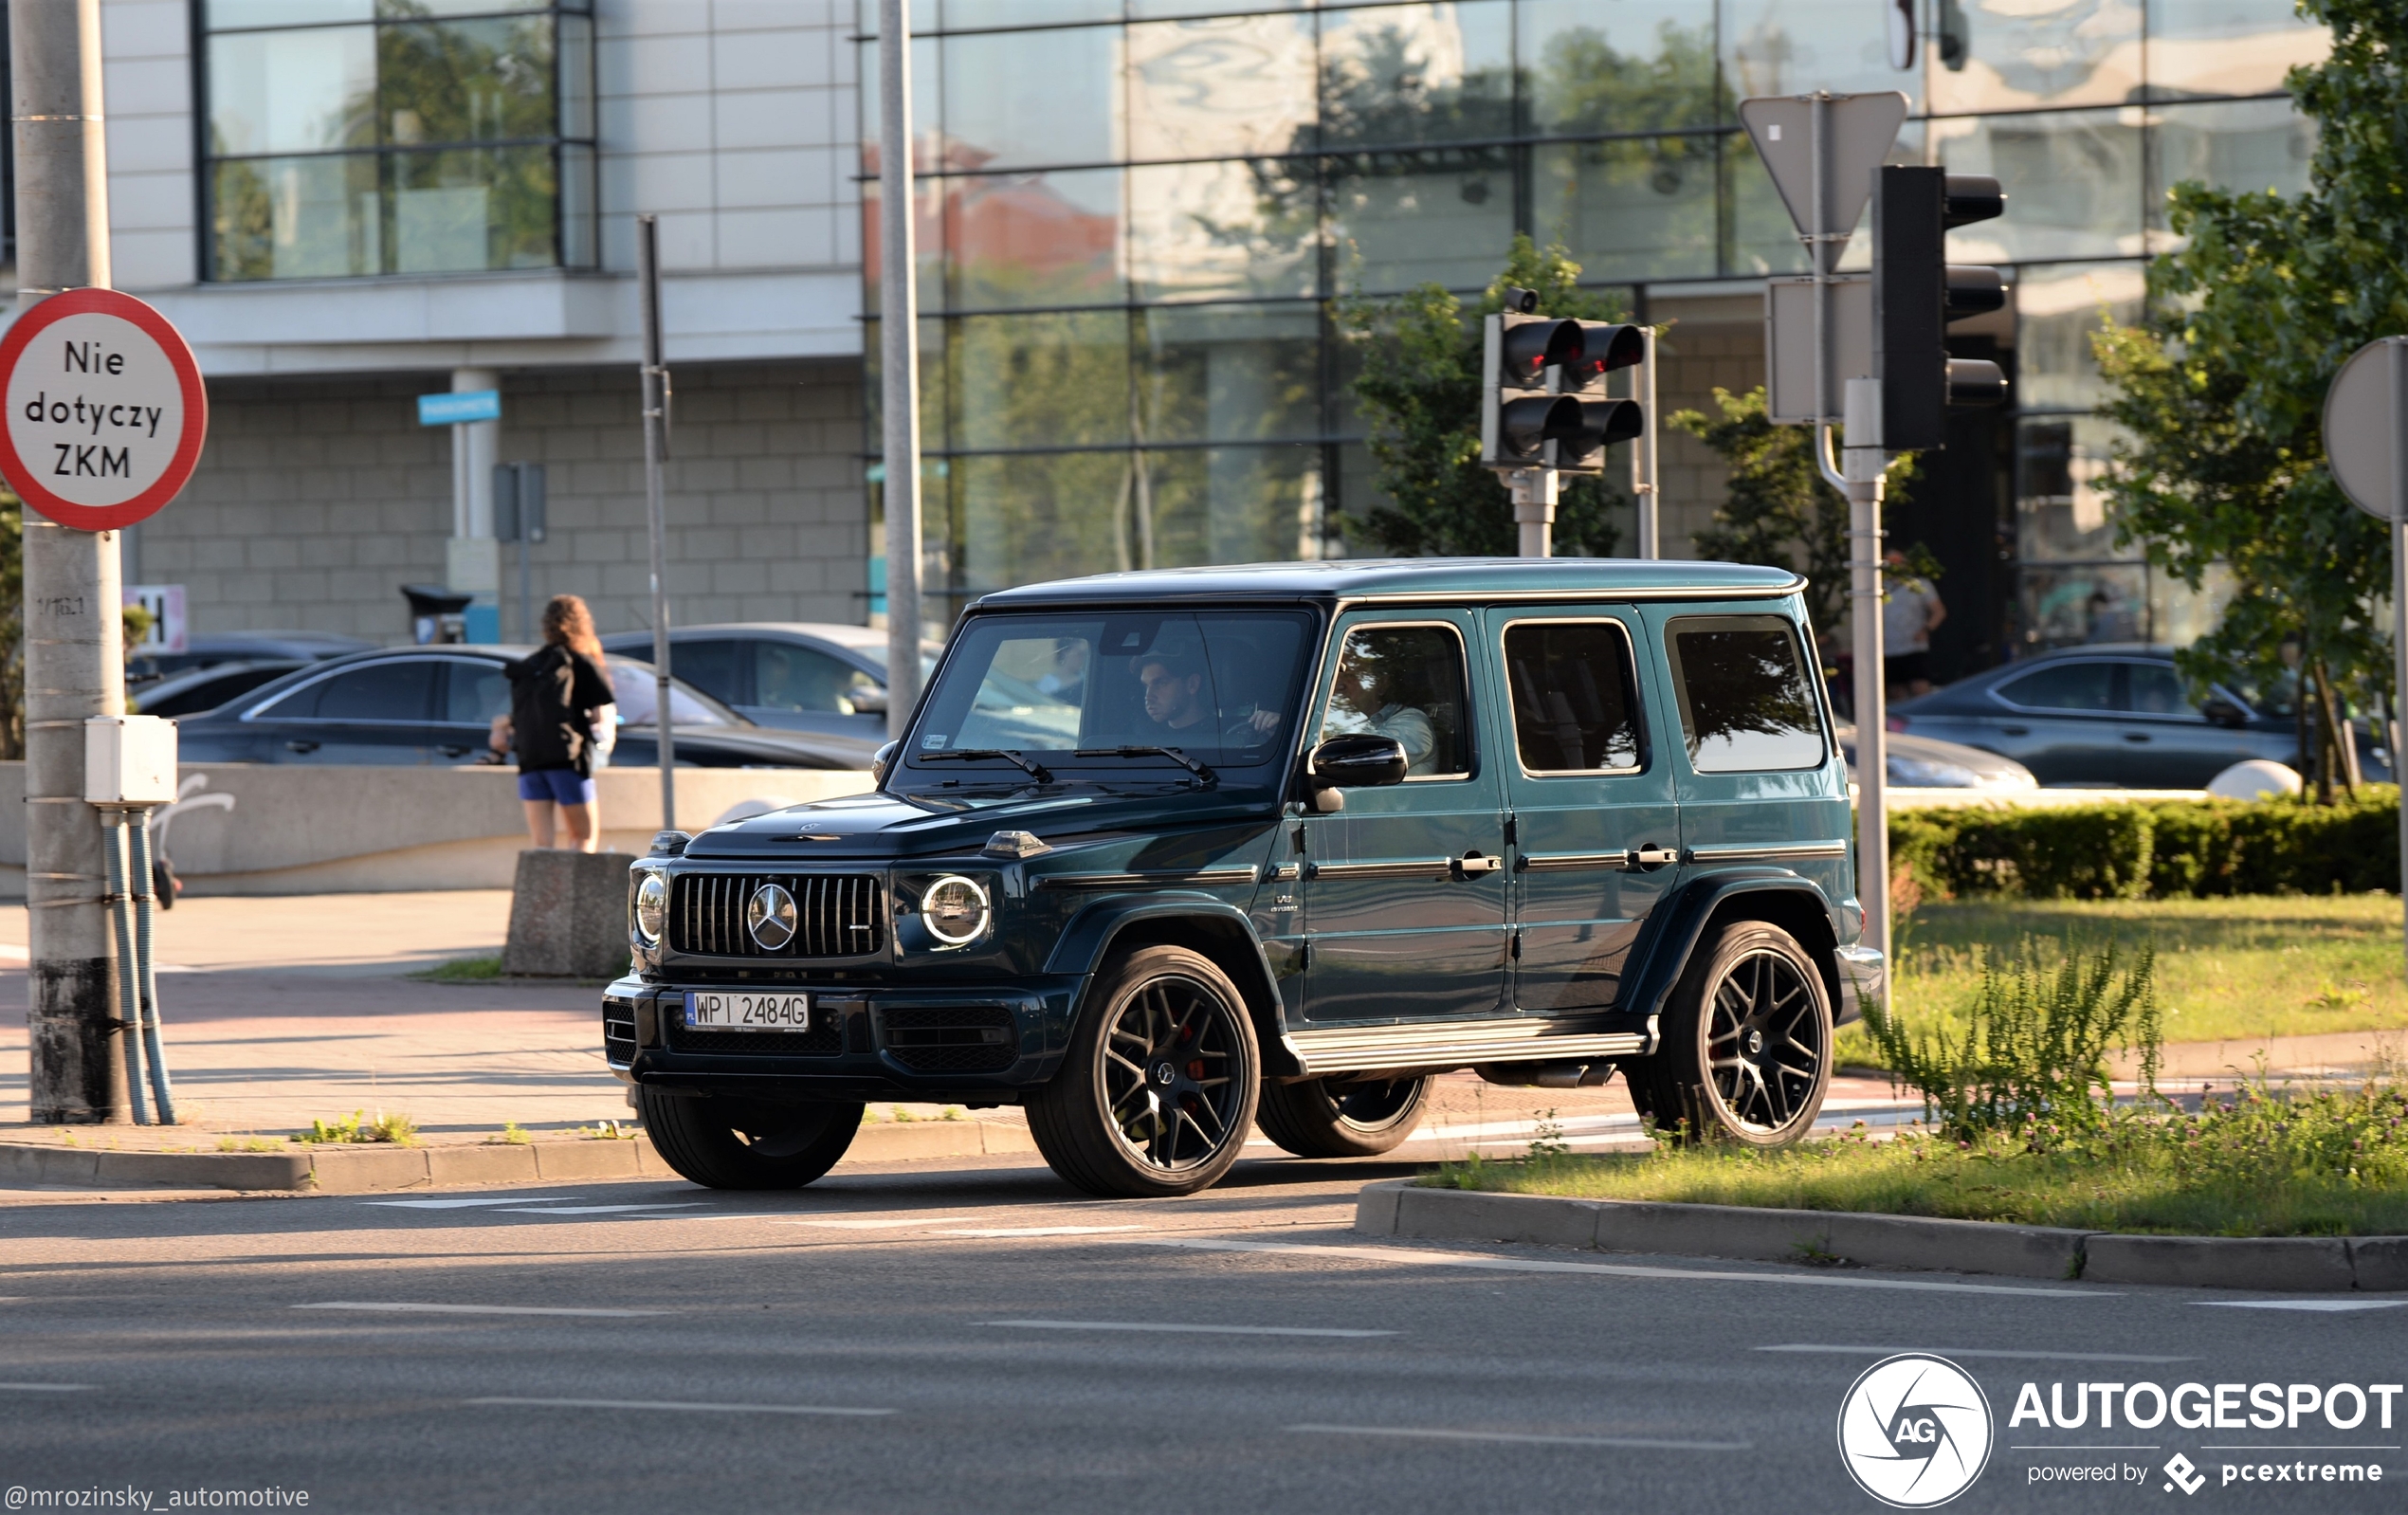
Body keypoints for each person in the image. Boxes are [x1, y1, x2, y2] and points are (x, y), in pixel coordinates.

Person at [490, 595, 616, 851]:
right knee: (582, 835)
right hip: (567, 760)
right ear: (582, 623)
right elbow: (598, 716)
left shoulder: (530, 665)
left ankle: (542, 892)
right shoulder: (579, 661)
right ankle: (578, 891)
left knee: (542, 844)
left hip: (529, 761)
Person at [1324, 648, 1438, 775]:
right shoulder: (1370, 723)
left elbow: (1363, 758)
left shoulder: (1414, 724)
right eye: (1337, 679)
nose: (1339, 685)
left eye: (1350, 676)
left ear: (1382, 684)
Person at [1134, 648, 1278, 743]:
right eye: (1146, 686)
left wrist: (1275, 730)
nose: (1149, 696)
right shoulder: (1137, 738)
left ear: (1192, 684)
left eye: (1160, 684)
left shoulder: (1238, 734)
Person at [1881, 551, 1947, 700]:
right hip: (1888, 648)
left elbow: (1939, 611)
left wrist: (1926, 629)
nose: (1894, 566)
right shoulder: (1879, 587)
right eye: (1890, 562)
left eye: (1898, 561)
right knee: (1896, 691)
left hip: (1913, 646)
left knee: (1920, 686)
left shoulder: (1919, 584)